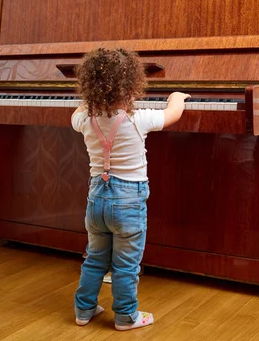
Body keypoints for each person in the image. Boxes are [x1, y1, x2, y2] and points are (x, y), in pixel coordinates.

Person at [71, 47, 189, 330]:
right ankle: (126, 316)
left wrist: (90, 100)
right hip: (129, 203)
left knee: (95, 258)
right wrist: (177, 97)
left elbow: (77, 112)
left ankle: (84, 310)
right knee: (125, 264)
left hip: (96, 200)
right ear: (132, 87)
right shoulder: (140, 119)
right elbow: (173, 114)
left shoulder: (86, 120)